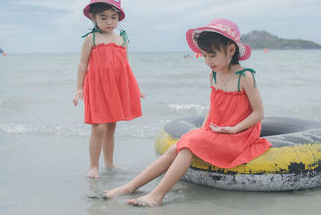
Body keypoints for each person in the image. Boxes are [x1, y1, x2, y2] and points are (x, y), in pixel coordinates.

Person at [103, 18, 272, 206]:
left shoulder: (245, 77)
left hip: (238, 136)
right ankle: (130, 186)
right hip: (217, 131)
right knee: (176, 146)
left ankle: (156, 196)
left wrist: (233, 129)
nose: (208, 61)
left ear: (231, 50)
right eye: (205, 56)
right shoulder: (214, 74)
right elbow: (215, 108)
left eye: (212, 55)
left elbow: (258, 113)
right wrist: (203, 130)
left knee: (189, 145)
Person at [73, 0, 144, 178]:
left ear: (119, 17)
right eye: (103, 17)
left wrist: (134, 88)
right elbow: (82, 64)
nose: (109, 22)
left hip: (116, 87)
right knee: (99, 126)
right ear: (93, 18)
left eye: (113, 17)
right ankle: (93, 166)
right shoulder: (91, 38)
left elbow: (126, 66)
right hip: (97, 87)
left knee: (112, 126)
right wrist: (79, 88)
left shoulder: (122, 39)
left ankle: (110, 163)